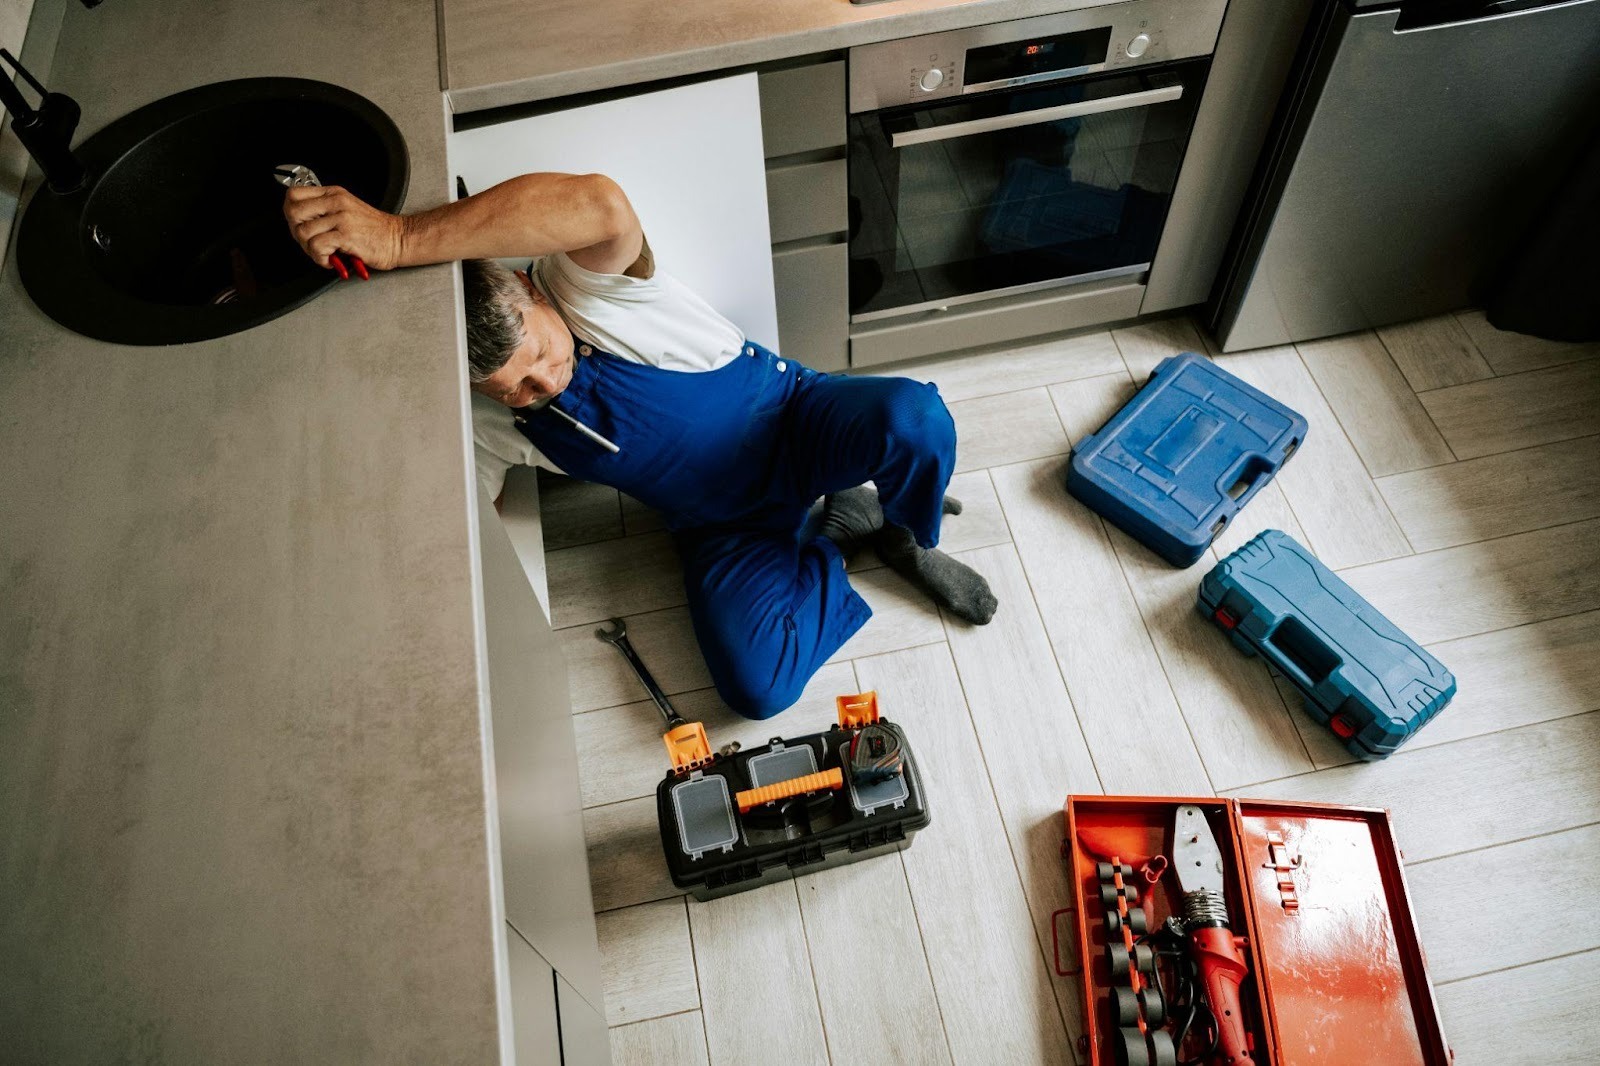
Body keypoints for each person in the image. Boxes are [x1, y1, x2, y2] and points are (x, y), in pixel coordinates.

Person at [282, 171, 997, 718]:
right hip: (724, 524)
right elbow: (475, 526)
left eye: (541, 355)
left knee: (915, 418)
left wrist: (403, 238)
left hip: (795, 419)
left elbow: (600, 204)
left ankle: (905, 532)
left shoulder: (593, 290)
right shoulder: (485, 423)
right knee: (757, 689)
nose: (543, 385)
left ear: (535, 289)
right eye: (515, 390)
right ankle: (843, 520)